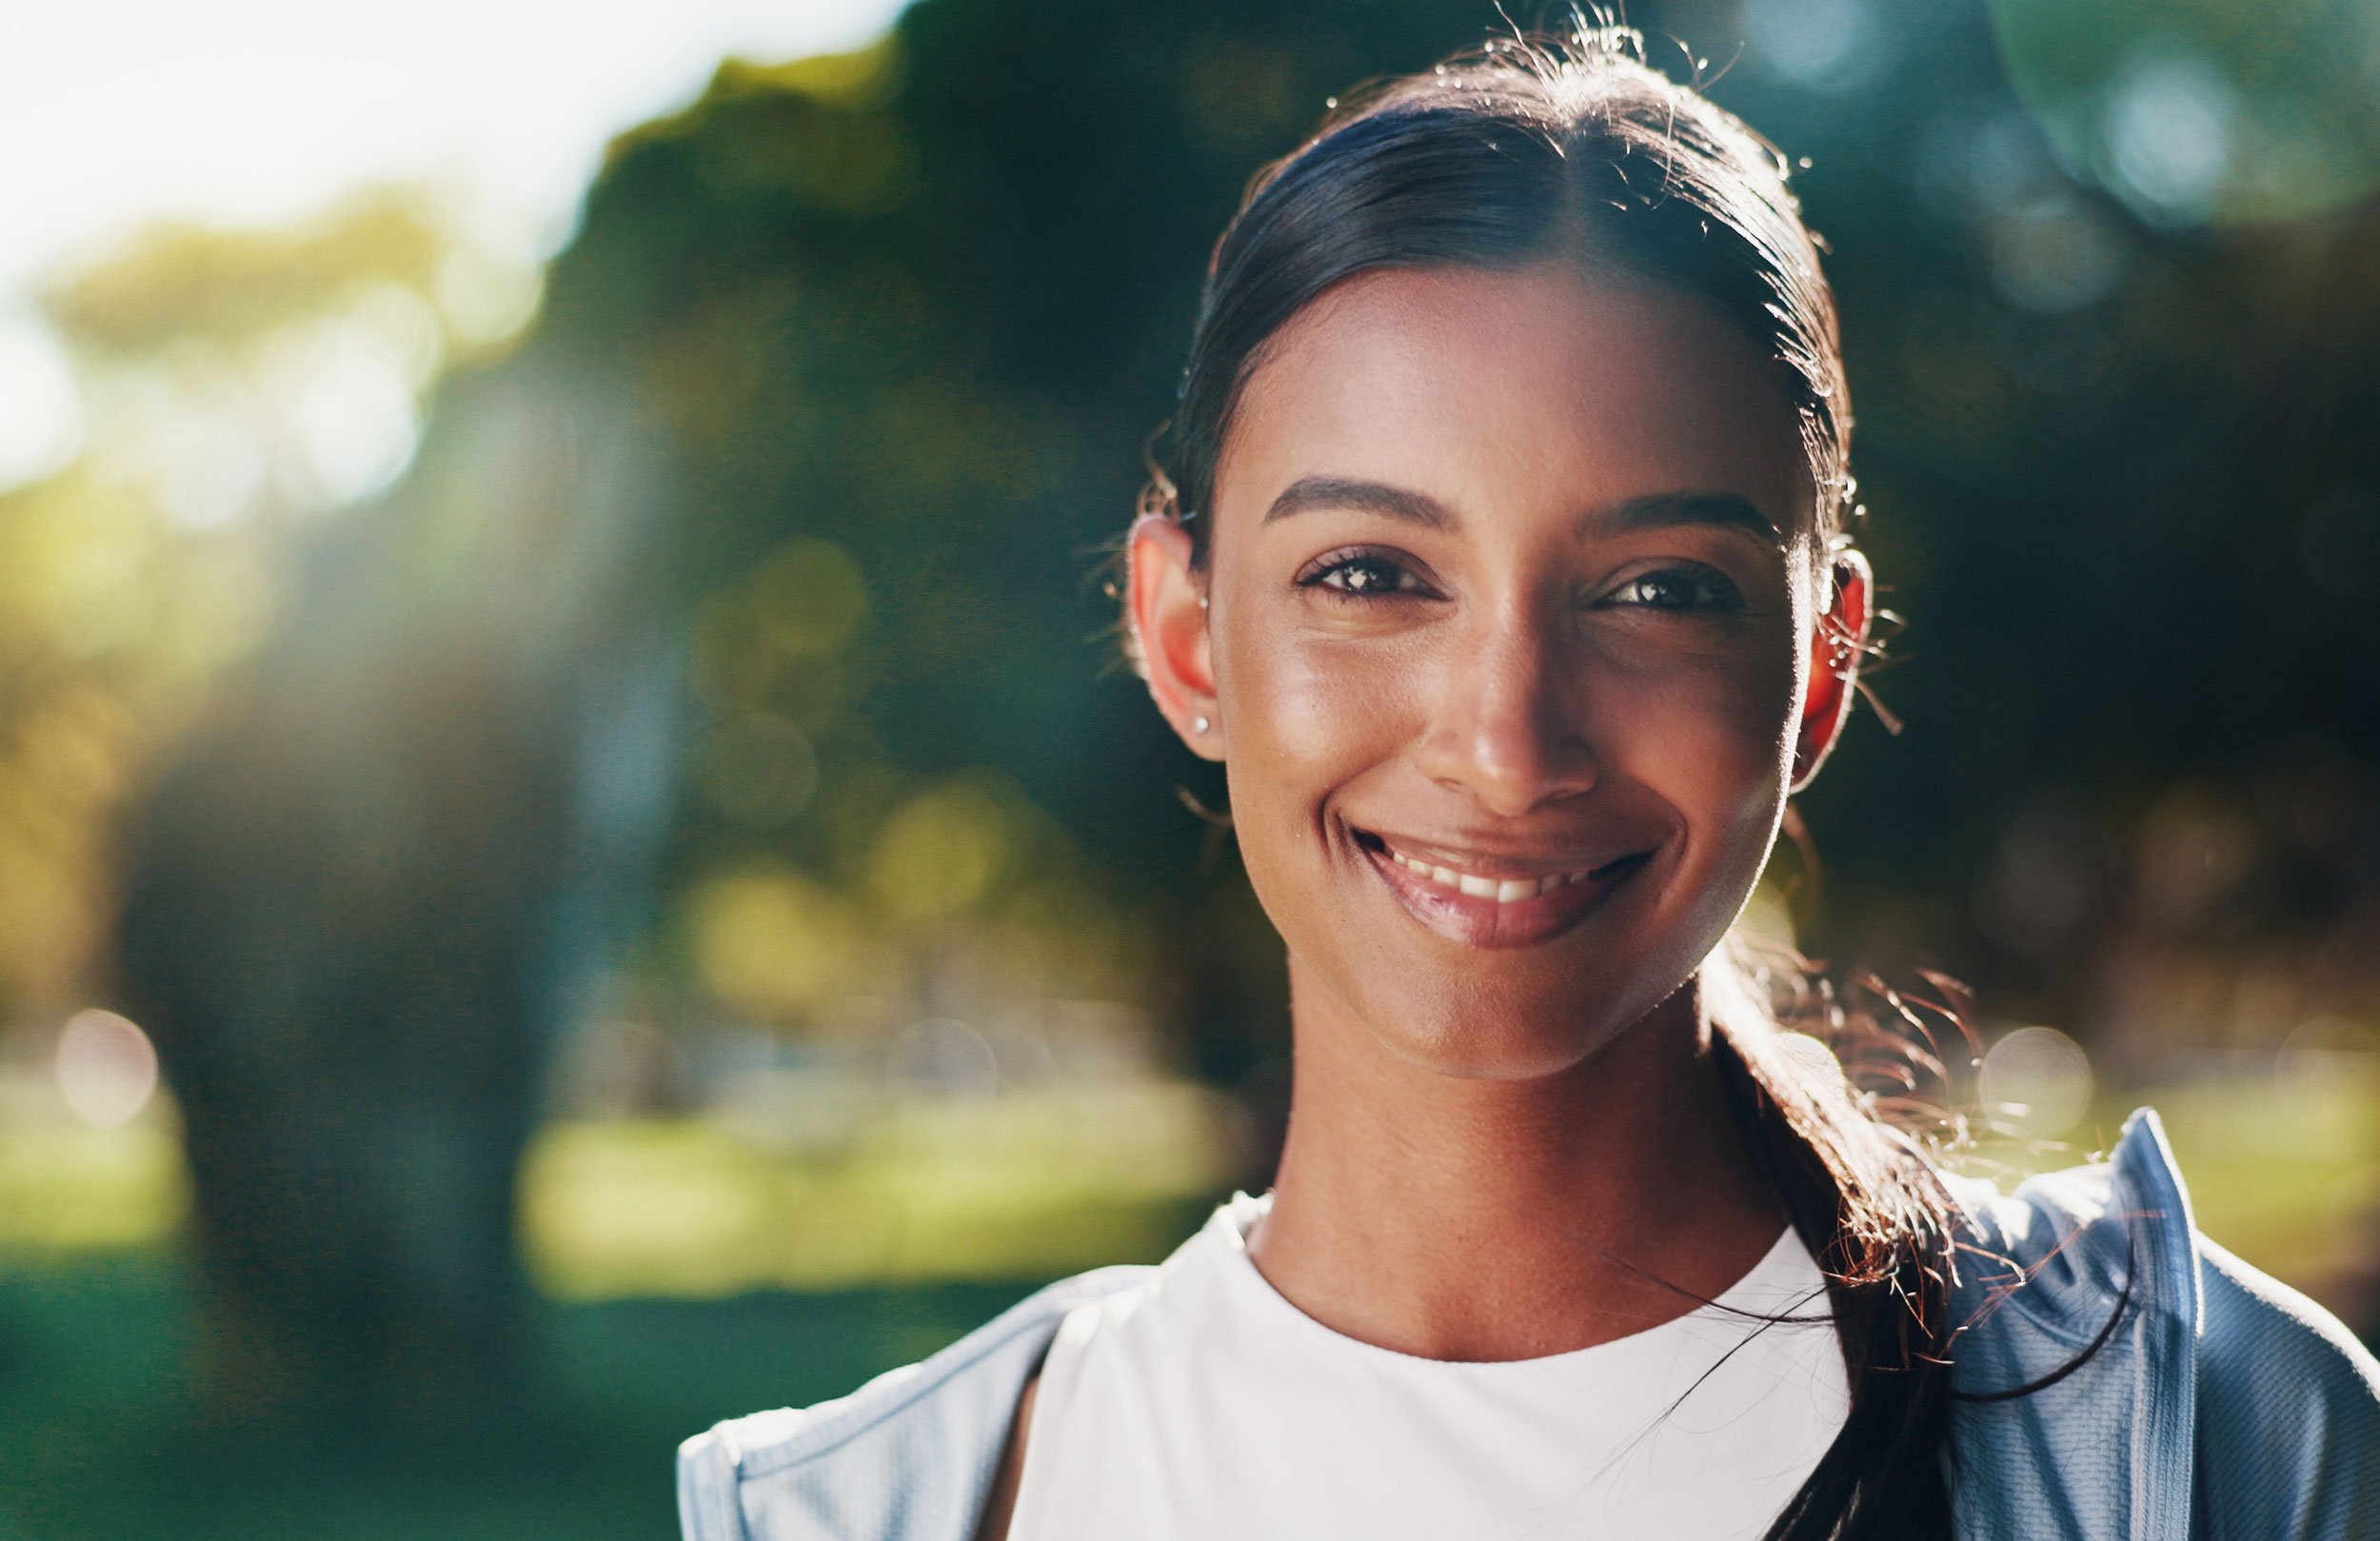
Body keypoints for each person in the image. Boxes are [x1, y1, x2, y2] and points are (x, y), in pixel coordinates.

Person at [679, 21, 2380, 1541]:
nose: (1506, 742)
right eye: (1370, 574)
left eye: (1660, 592)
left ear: (1819, 675)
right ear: (1188, 642)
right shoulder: (897, 1508)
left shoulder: (2199, 1439)